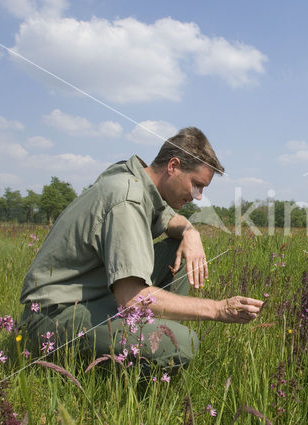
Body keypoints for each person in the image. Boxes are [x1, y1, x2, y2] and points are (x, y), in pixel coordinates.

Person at [19, 127, 263, 372]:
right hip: (53, 316)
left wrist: (190, 231)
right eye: (197, 185)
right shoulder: (128, 200)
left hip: (92, 295)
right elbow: (131, 298)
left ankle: (143, 333)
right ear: (173, 166)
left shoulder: (135, 179)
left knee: (178, 243)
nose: (199, 196)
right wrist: (218, 309)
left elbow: (166, 218)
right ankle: (128, 371)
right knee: (181, 344)